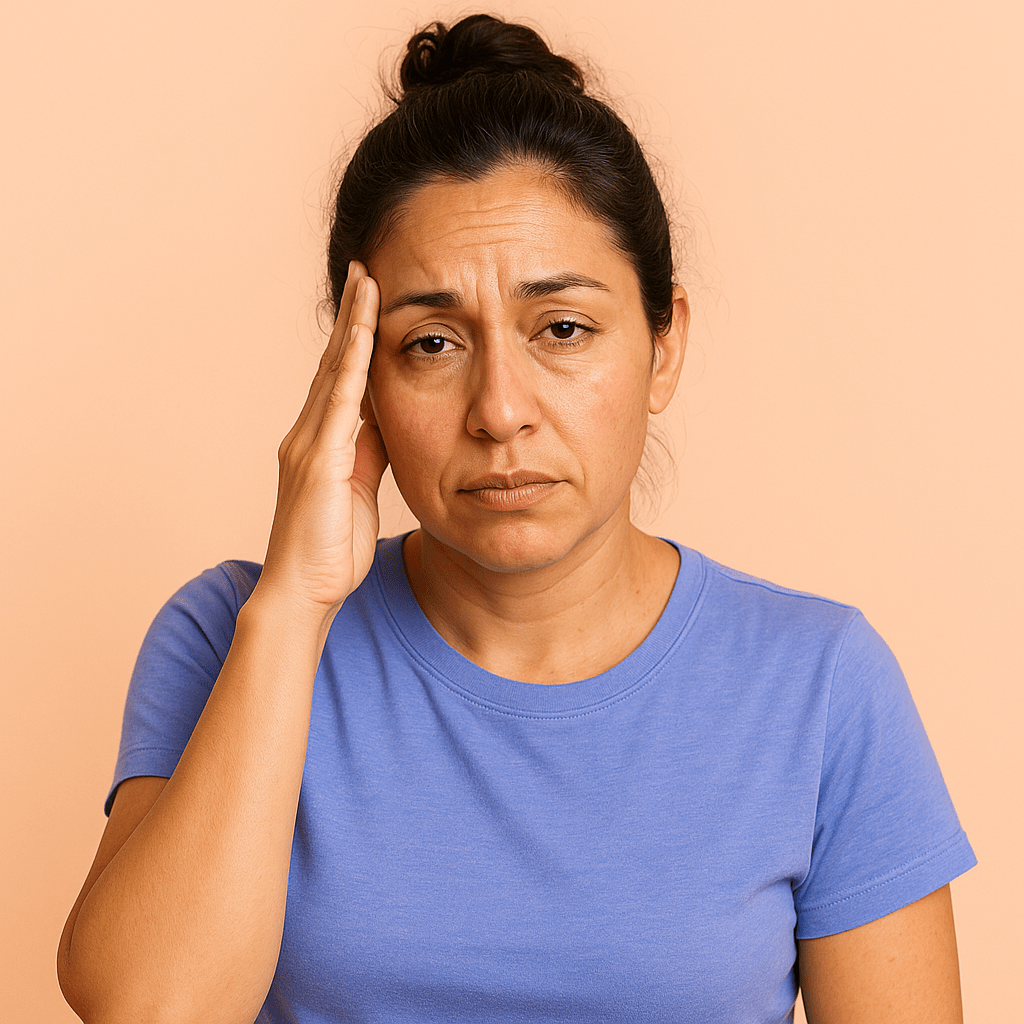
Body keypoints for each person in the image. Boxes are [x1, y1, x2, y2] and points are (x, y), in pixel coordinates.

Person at [57, 14, 975, 1024]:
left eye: (564, 329)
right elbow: (147, 1011)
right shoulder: (231, 632)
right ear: (355, 378)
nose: (499, 409)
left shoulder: (818, 684)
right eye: (432, 343)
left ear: (663, 345)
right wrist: (295, 605)